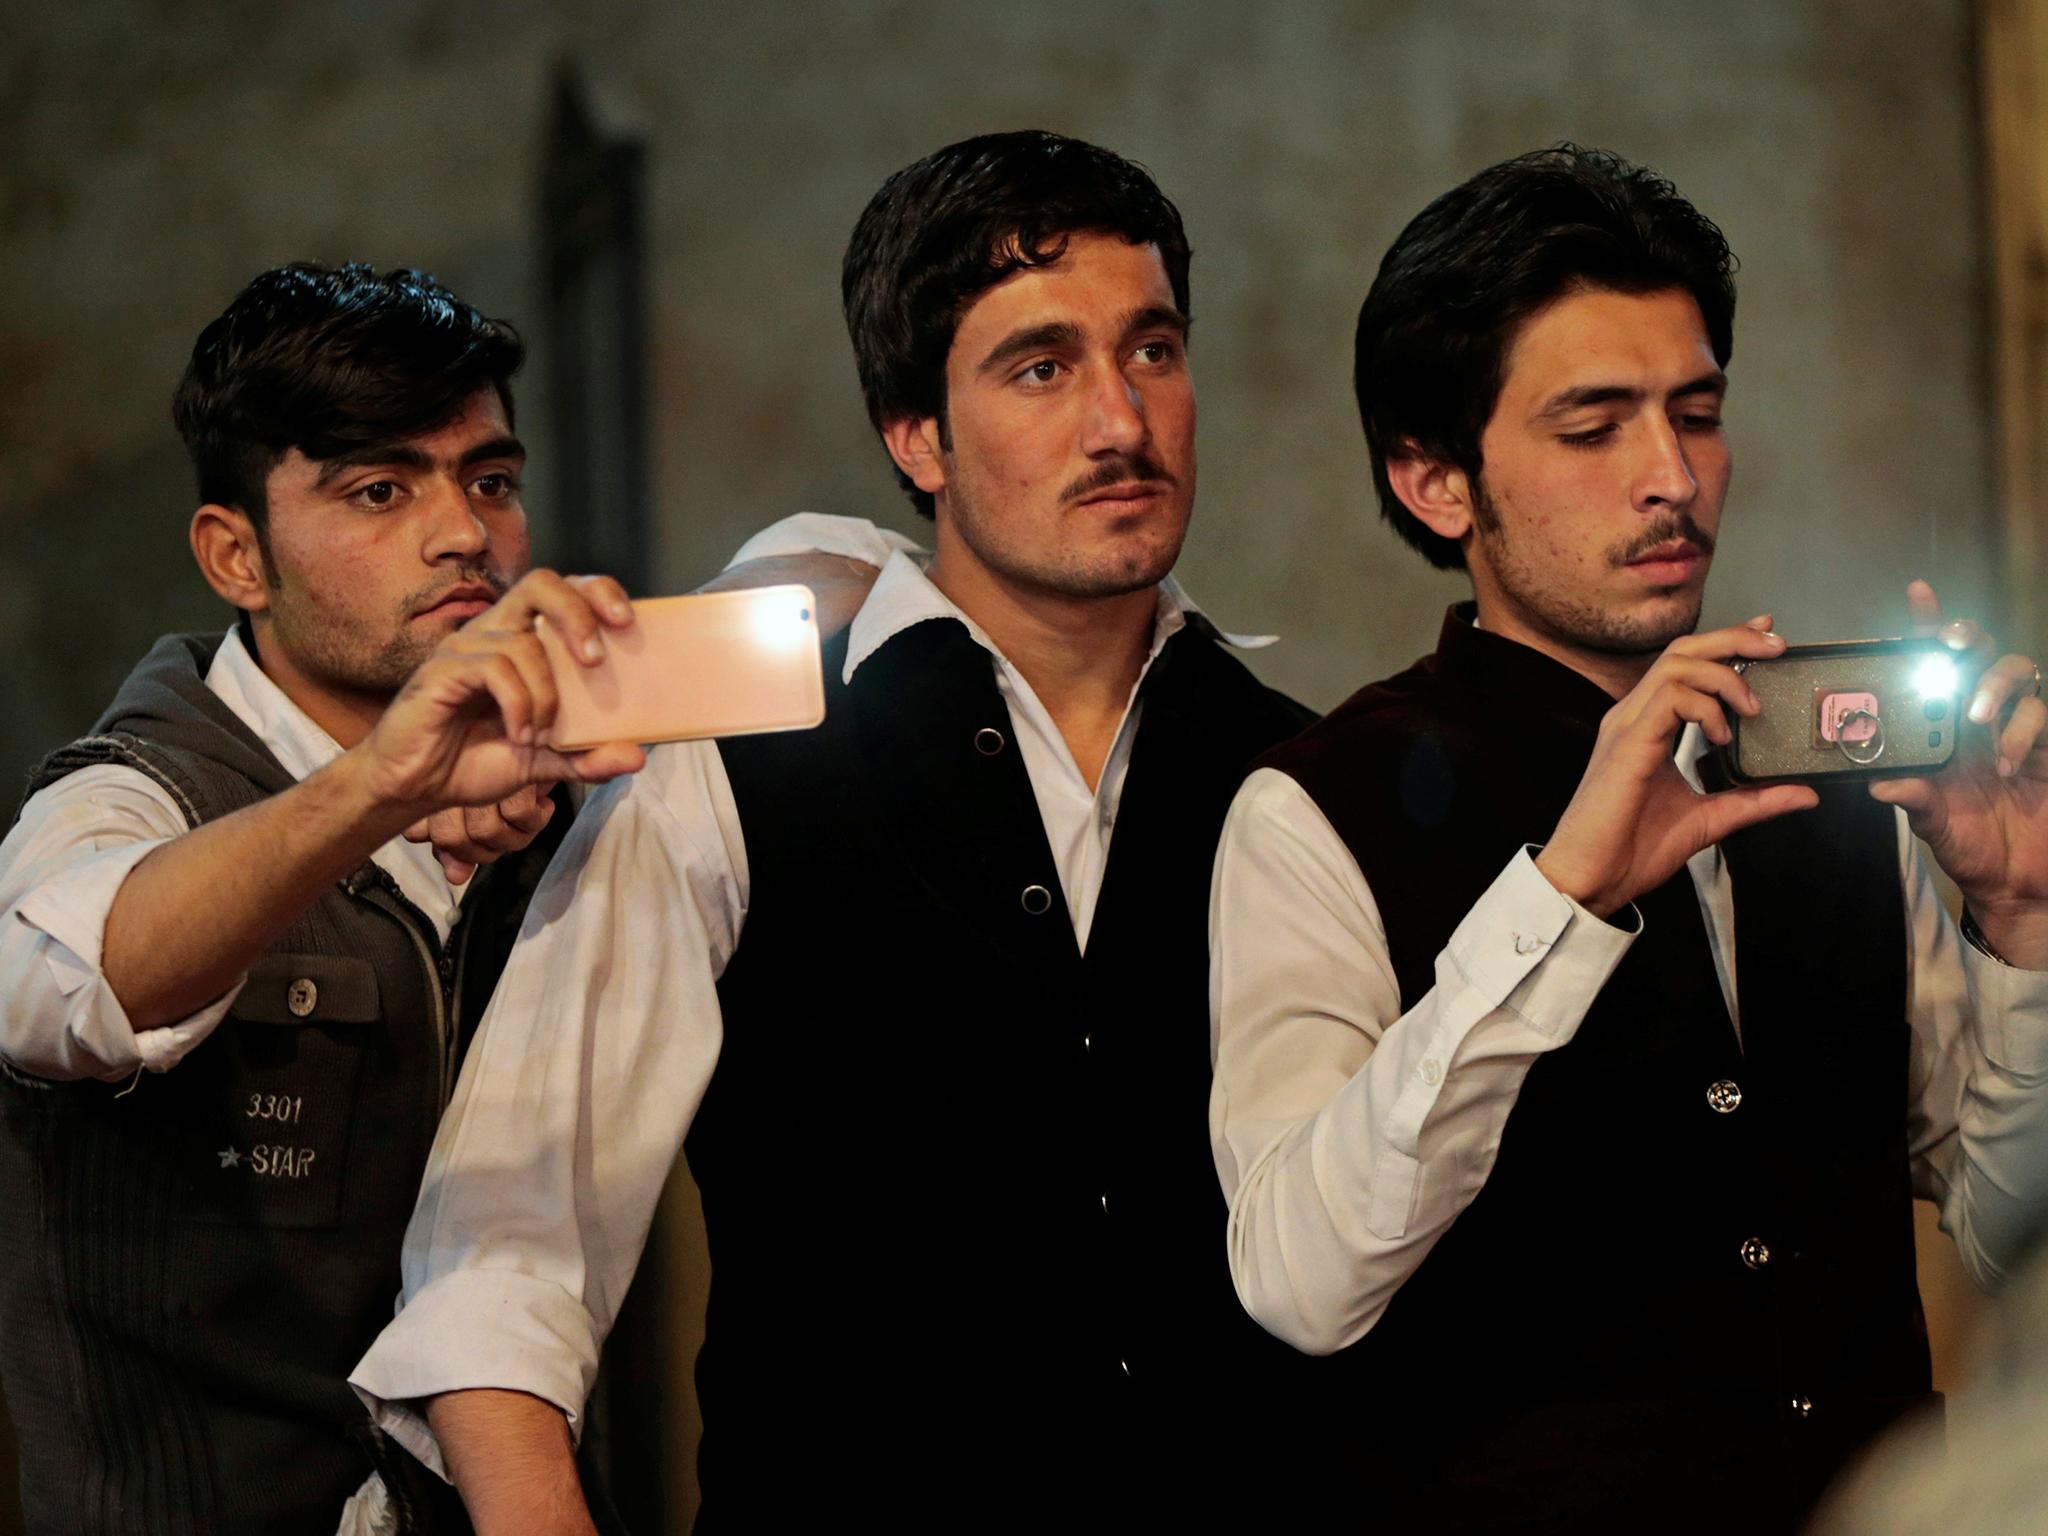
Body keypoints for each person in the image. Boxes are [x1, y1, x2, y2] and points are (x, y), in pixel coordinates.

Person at [350, 130, 1316, 1531]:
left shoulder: (1286, 761)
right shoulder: (737, 756)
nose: (1121, 421)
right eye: (1040, 367)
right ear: (914, 435)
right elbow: (506, 1254)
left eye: (1153, 350)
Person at [1208, 143, 2048, 1533]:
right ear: (1436, 482)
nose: (1672, 475)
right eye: (1594, 427)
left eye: (1697, 412)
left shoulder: (1841, 777)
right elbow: (1301, 1280)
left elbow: (2006, 1234)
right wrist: (1560, 897)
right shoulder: (1311, 809)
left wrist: (2019, 924)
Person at [0, 262, 864, 1536]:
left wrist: (638, 664)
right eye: (379, 489)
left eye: (490, 481)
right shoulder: (129, 786)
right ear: (235, 554)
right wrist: (379, 788)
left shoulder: (563, 747)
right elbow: (55, 985)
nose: (462, 532)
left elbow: (860, 562)